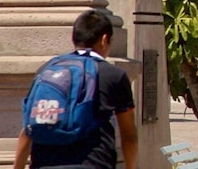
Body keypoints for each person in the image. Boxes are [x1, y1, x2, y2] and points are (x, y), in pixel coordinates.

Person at [13, 9, 138, 169]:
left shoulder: (46, 70)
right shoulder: (114, 75)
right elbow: (129, 136)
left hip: (43, 164)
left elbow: (28, 130)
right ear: (104, 39)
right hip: (93, 163)